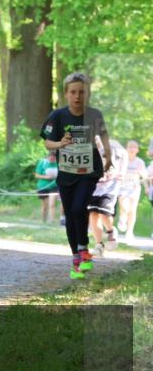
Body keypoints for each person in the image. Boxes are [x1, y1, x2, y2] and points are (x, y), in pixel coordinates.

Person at [40, 72, 112, 279]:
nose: (77, 96)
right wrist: (60, 143)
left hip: (89, 171)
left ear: (87, 93)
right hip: (67, 172)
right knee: (70, 215)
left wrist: (108, 156)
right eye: (73, 92)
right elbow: (47, 142)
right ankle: (76, 260)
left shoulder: (94, 114)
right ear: (66, 94)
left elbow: (104, 135)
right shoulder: (58, 116)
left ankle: (84, 249)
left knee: (80, 207)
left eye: (82, 92)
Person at [88, 139, 127, 253]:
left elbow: (123, 157)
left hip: (110, 186)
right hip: (93, 186)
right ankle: (99, 245)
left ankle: (110, 232)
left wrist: (121, 173)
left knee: (103, 212)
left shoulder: (113, 146)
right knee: (93, 213)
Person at [116, 140, 145, 243]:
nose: (132, 149)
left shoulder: (140, 162)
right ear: (126, 149)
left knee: (132, 210)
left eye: (134, 147)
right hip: (122, 187)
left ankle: (129, 232)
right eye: (130, 147)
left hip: (134, 188)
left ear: (137, 150)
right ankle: (122, 218)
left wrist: (141, 173)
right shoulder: (121, 160)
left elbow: (144, 176)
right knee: (124, 206)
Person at [34, 150, 59, 222]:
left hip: (54, 186)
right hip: (43, 186)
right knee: (45, 206)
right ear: (48, 157)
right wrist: (46, 177)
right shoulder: (42, 163)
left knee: (52, 204)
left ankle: (52, 220)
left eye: (54, 159)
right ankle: (44, 220)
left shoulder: (58, 164)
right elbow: (37, 175)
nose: (52, 160)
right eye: (51, 158)